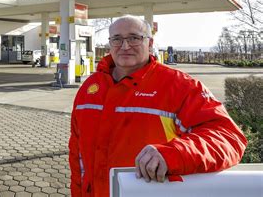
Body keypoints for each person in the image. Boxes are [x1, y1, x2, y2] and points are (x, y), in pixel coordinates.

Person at [68, 15, 247, 196]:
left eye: (134, 38)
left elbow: (229, 138)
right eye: (117, 39)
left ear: (150, 42)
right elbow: (77, 156)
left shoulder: (179, 86)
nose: (125, 46)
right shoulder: (90, 88)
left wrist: (174, 154)